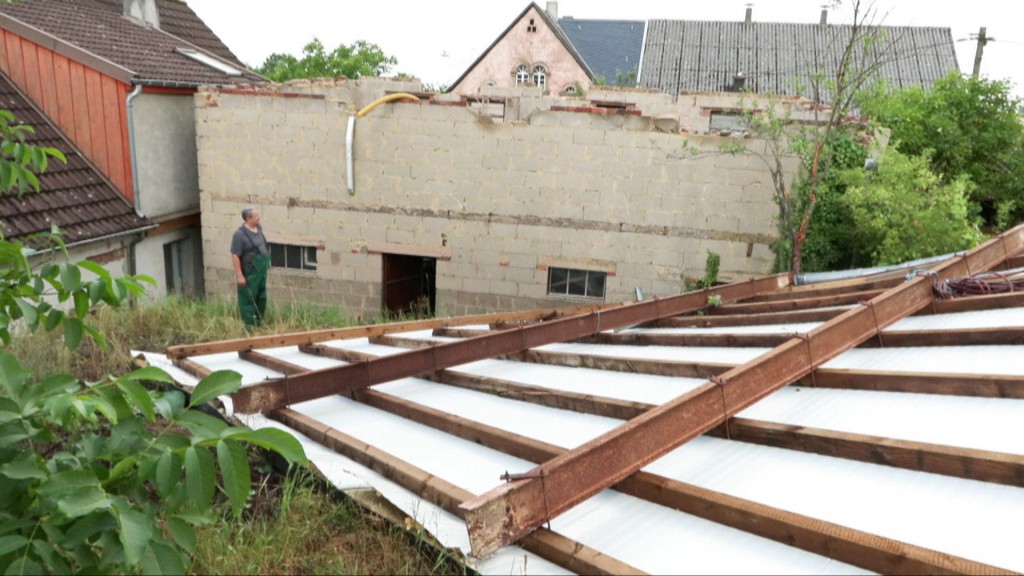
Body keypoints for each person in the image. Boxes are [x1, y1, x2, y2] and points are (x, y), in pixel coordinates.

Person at [230, 207, 270, 329]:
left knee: (261, 298)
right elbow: (235, 255)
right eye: (256, 216)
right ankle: (249, 326)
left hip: (261, 272)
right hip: (250, 273)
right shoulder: (239, 235)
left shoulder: (259, 228)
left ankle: (258, 322)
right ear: (248, 218)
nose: (259, 217)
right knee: (248, 299)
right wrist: (240, 275)